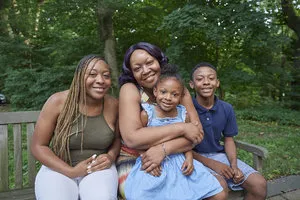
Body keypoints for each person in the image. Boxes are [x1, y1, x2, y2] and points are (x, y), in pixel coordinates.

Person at [117, 42, 226, 200]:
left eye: (149, 62)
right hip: (135, 159)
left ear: (159, 61)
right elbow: (132, 138)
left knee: (219, 188)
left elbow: (197, 134)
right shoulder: (130, 90)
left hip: (177, 155)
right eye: (137, 68)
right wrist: (182, 128)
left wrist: (164, 149)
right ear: (132, 74)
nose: (146, 70)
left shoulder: (178, 89)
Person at [31, 55, 120, 200]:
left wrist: (110, 156)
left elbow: (116, 140)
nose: (100, 80)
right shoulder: (57, 102)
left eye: (106, 75)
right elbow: (38, 146)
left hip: (98, 169)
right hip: (59, 168)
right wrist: (71, 171)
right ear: (79, 77)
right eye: (92, 74)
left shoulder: (113, 105)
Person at [189, 62, 267, 200]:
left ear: (217, 83)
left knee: (259, 185)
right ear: (192, 84)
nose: (206, 82)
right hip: (193, 158)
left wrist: (234, 165)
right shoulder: (186, 110)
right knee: (219, 187)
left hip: (220, 156)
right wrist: (213, 164)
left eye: (211, 78)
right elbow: (181, 148)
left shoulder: (226, 108)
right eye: (200, 79)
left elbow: (229, 139)